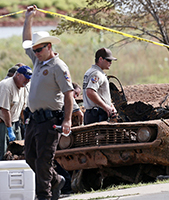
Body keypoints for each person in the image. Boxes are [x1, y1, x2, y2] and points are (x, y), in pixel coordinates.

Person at [22, 5, 74, 200]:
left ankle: (43, 195)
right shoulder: (37, 61)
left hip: (49, 120)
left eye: (39, 49)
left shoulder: (58, 67)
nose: (35, 53)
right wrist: (29, 18)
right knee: (30, 158)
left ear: (49, 47)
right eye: (34, 50)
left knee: (44, 161)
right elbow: (26, 41)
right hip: (33, 120)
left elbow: (68, 94)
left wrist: (67, 120)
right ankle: (55, 180)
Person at [0, 66, 32, 160]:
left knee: (19, 149)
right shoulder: (6, 86)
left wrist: (25, 124)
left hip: (15, 121)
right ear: (17, 75)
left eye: (29, 79)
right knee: (3, 150)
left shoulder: (23, 87)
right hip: (3, 122)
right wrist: (10, 129)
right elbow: (5, 110)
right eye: (26, 78)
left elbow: (23, 109)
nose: (27, 80)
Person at [83, 48, 117, 125]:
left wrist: (110, 106)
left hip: (92, 114)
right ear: (100, 59)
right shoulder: (97, 74)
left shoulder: (90, 71)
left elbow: (100, 94)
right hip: (97, 115)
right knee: (100, 137)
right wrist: (105, 107)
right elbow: (90, 92)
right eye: (108, 60)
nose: (110, 63)